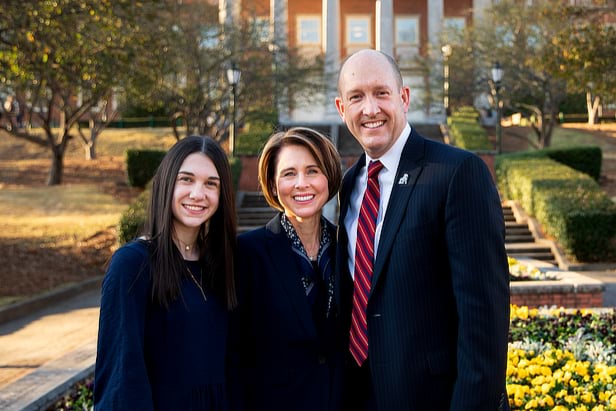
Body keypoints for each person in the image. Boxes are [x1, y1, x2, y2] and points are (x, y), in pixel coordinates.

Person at [334, 49, 510, 410]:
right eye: (356, 97)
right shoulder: (349, 185)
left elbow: (484, 321)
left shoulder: (457, 173)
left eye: (381, 93)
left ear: (404, 97)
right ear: (341, 108)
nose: (370, 109)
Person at [94, 135, 237, 410]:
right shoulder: (133, 264)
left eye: (211, 184)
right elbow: (123, 375)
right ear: (166, 184)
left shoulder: (221, 264)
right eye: (186, 180)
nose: (198, 194)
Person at [228, 127, 344, 411]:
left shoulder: (349, 248)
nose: (301, 183)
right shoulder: (247, 252)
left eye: (312, 171)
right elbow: (232, 353)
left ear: (328, 176)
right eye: (289, 174)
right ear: (272, 183)